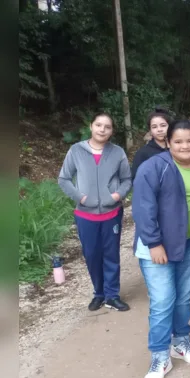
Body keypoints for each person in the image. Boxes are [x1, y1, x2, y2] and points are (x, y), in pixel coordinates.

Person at [132, 120, 190, 378]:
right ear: (168, 143)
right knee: (162, 301)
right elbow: (143, 208)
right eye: (177, 141)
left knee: (183, 299)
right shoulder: (154, 167)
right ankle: (159, 356)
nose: (184, 146)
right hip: (157, 247)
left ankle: (180, 342)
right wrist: (154, 243)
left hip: (189, 243)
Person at [58, 113, 132, 312]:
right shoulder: (76, 151)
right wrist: (81, 198)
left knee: (111, 255)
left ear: (111, 131)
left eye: (107, 127)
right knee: (92, 255)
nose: (102, 129)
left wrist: (116, 196)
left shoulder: (117, 152)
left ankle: (112, 295)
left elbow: (127, 179)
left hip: (111, 214)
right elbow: (64, 179)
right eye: (98, 125)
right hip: (85, 215)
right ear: (91, 126)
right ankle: (98, 293)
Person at [132, 108, 170, 178]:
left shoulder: (177, 149)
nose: (159, 130)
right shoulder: (143, 153)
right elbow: (136, 177)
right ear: (150, 130)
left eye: (163, 125)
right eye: (154, 127)